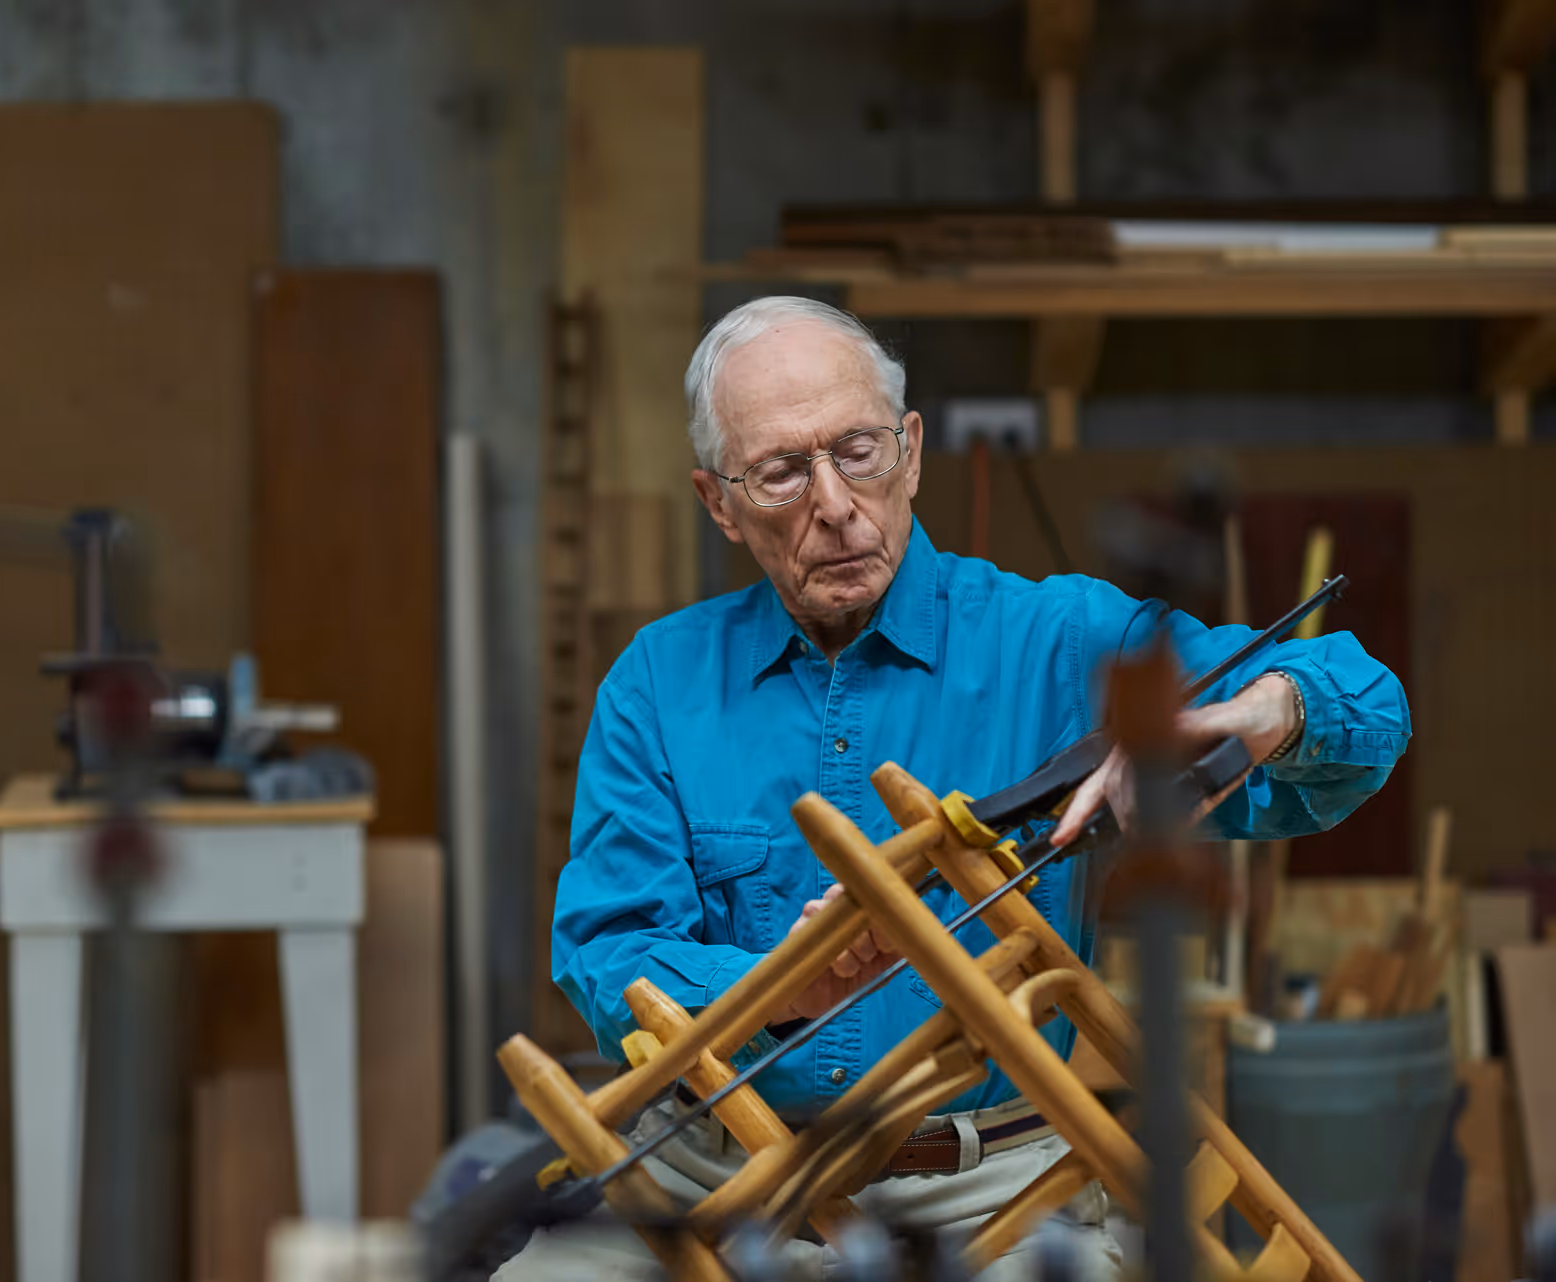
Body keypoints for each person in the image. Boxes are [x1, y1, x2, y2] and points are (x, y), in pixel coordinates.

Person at [503, 296, 1409, 1280]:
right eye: (780, 473)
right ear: (718, 501)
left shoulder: (1058, 640)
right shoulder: (657, 681)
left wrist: (1261, 713)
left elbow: (1367, 707)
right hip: (710, 1184)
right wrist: (784, 988)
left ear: (913, 451)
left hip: (999, 1192)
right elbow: (608, 954)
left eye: (858, 451)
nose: (836, 503)